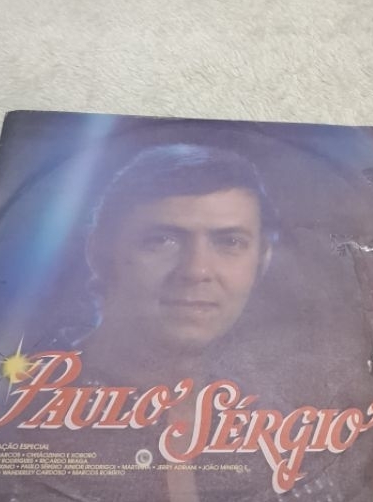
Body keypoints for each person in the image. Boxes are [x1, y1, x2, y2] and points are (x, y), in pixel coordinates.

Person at [78, 143, 278, 388]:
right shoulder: (37, 395)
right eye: (161, 240)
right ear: (100, 254)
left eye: (230, 242)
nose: (196, 271)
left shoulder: (265, 407)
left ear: (262, 259)